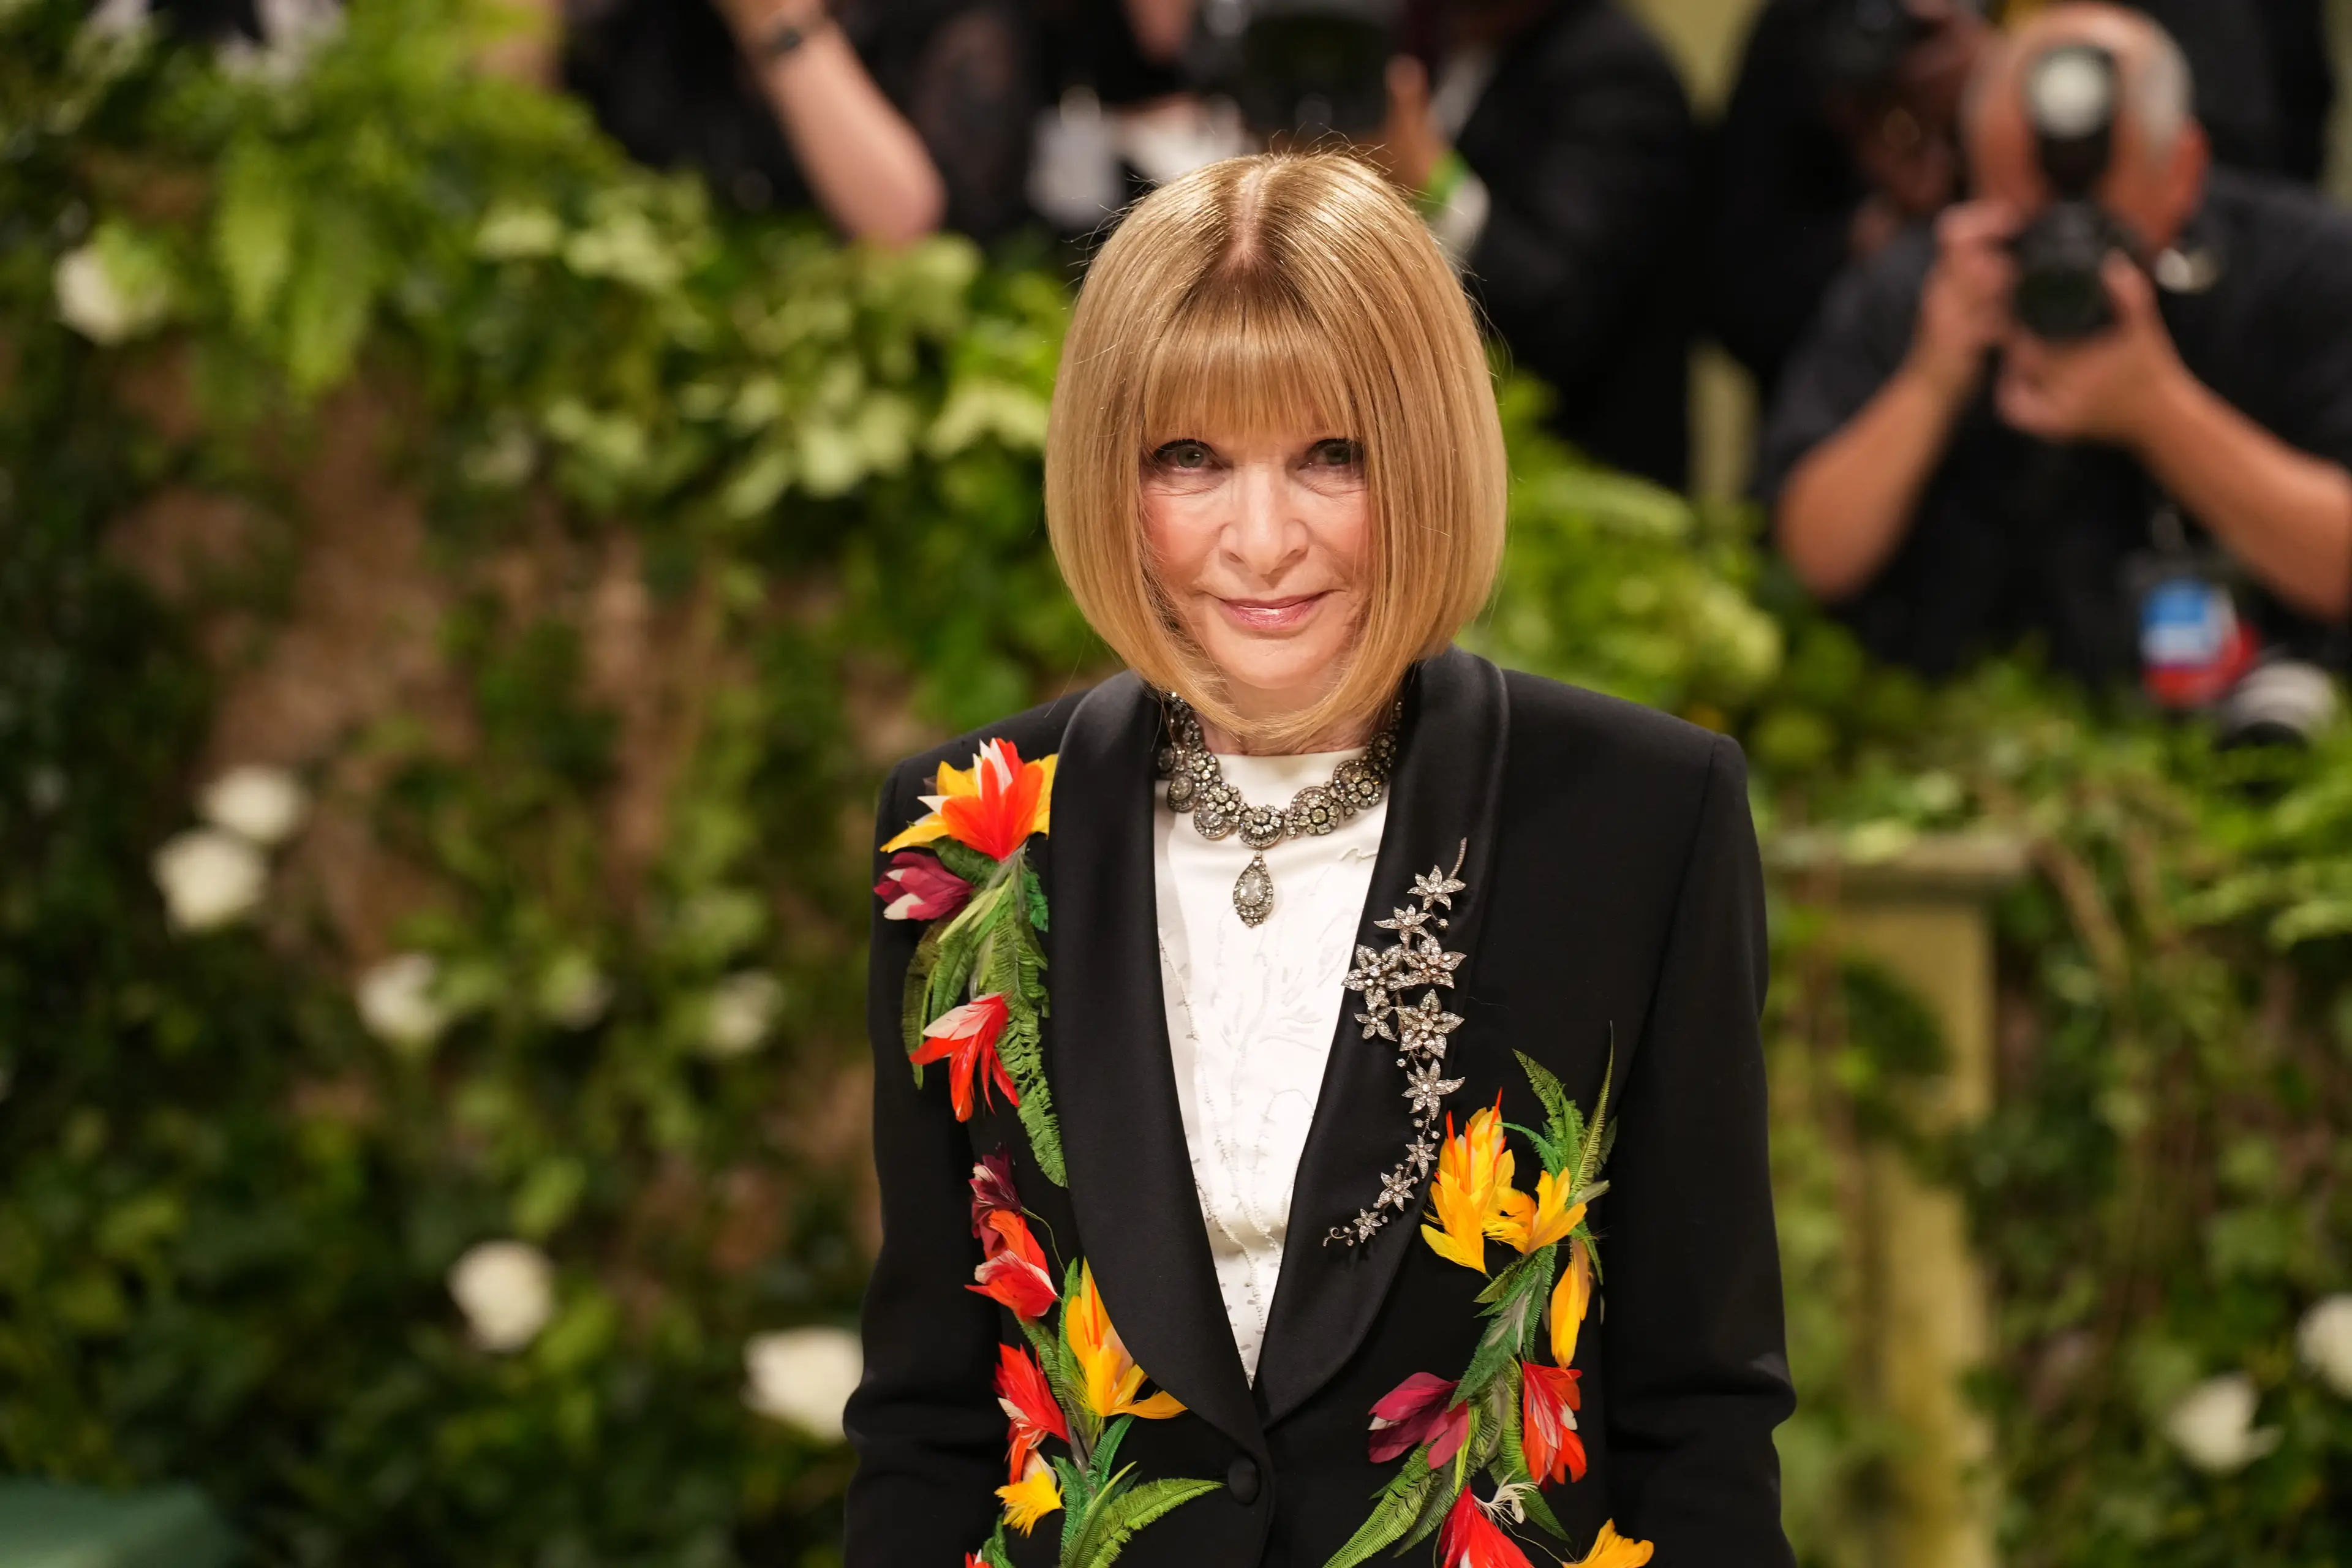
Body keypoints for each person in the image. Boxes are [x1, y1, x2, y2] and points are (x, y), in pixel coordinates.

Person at [846, 153, 1794, 1565]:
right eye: (1191, 458)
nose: (1262, 539)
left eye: (1329, 456)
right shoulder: (966, 831)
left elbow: (1701, 1411)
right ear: (1112, 475)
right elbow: (928, 1415)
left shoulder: (1641, 816)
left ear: (1425, 456)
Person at [1761, 4, 2352, 687]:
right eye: (2022, 208)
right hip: (1958, 718)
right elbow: (1805, 564)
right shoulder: (1922, 284)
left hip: (2256, 716)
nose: (2061, 245)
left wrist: (2161, 411)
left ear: (2183, 169)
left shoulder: (2300, 268)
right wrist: (1930, 382)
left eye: (2095, 211)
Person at [1707, 0, 2291, 398]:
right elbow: (1741, 288)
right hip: (1890, 405)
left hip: (2169, 382)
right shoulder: (1819, 24)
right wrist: (1887, 242)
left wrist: (2000, 80)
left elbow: (2240, 211)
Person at [1371, 0, 1701, 488]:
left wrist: (1432, 184)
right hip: (1455, 460)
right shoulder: (1437, 37)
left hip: (1577, 487)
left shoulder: (1613, 70)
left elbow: (1559, 312)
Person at [500, 0, 1035, 245]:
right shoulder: (646, 26)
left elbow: (908, 229)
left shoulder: (954, 22)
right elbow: (512, 144)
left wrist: (780, 26)